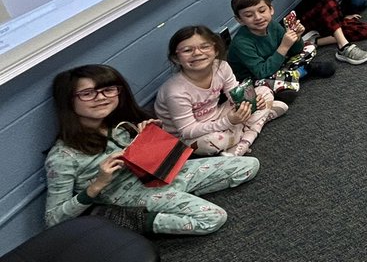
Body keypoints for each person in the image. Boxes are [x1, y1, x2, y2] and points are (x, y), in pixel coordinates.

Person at [46, 65, 259, 235]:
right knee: (213, 218)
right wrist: (96, 186)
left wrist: (150, 137)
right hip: (127, 196)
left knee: (249, 166)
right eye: (87, 94)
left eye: (108, 90)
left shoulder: (117, 124)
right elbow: (53, 219)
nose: (101, 98)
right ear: (68, 100)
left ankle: (176, 197)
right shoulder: (63, 156)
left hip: (159, 176)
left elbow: (152, 157)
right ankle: (136, 219)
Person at [154, 26, 281, 156]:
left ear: (215, 50)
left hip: (217, 114)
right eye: (187, 50)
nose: (197, 53)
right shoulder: (175, 92)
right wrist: (228, 122)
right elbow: (187, 131)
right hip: (190, 136)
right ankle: (250, 130)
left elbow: (235, 93)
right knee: (209, 143)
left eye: (205, 47)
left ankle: (241, 139)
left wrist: (251, 102)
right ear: (176, 58)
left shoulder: (221, 67)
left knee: (264, 91)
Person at [226, 0, 335, 102]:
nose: (258, 17)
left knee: (309, 47)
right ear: (239, 20)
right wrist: (284, 46)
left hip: (276, 62)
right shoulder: (241, 43)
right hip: (254, 77)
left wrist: (296, 38)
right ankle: (300, 72)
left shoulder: (273, 25)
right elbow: (261, 72)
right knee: (265, 86)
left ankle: (296, 74)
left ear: (271, 9)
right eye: (249, 15)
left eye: (262, 10)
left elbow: (296, 51)